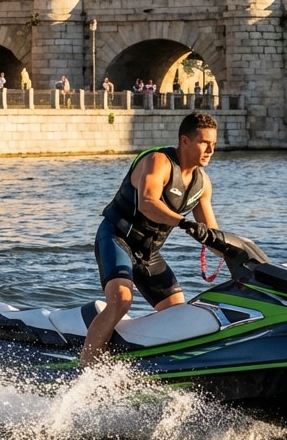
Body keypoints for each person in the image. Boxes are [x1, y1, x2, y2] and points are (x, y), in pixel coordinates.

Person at [80, 112, 220, 366]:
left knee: (177, 313)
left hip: (148, 254)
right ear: (184, 141)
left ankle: (146, 360)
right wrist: (184, 223)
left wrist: (243, 258)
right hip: (117, 238)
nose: (210, 150)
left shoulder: (202, 184)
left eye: (213, 144)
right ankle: (87, 368)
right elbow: (147, 203)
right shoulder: (159, 161)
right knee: (121, 299)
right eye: (204, 143)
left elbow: (213, 236)